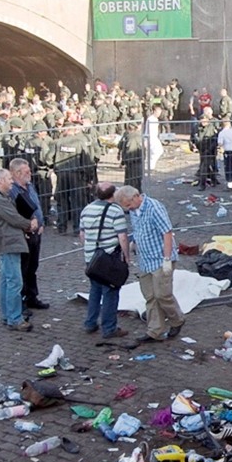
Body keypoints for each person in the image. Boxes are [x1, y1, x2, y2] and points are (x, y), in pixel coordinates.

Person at [115, 186, 184, 343]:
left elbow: (167, 232)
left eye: (128, 205)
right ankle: (155, 331)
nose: (128, 209)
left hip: (160, 259)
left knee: (162, 295)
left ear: (136, 197)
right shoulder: (134, 210)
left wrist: (167, 259)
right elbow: (139, 231)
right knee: (150, 297)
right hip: (145, 260)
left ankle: (177, 319)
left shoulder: (154, 207)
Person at [0, 168, 37, 332]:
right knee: (14, 281)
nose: (12, 181)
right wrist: (29, 225)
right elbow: (13, 218)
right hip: (7, 242)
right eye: (9, 178)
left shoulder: (1, 196)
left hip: (7, 241)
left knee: (7, 281)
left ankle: (9, 315)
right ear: (0, 181)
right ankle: (15, 318)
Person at [79, 182, 131, 338]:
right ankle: (109, 328)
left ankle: (90, 323)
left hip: (92, 257)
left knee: (95, 289)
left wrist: (89, 250)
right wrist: (126, 255)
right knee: (110, 291)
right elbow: (122, 236)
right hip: (109, 257)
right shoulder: (116, 211)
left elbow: (82, 234)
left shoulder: (86, 209)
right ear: (113, 195)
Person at [9, 158, 49, 310]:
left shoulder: (30, 186)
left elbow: (36, 206)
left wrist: (41, 223)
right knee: (23, 268)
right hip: (24, 234)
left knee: (33, 266)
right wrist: (27, 227)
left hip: (36, 232)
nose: (30, 174)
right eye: (27, 171)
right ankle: (21, 300)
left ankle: (32, 296)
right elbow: (15, 213)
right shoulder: (12, 190)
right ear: (17, 173)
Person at [146, 104, 164, 171]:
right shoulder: (150, 119)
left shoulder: (155, 119)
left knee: (157, 151)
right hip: (151, 138)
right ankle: (151, 166)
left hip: (154, 137)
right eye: (158, 112)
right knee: (156, 151)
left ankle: (151, 165)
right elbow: (149, 130)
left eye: (160, 112)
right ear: (154, 111)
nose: (159, 114)